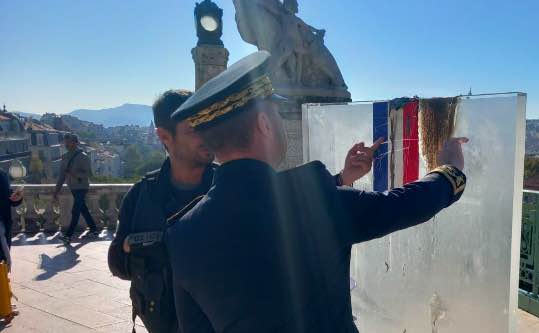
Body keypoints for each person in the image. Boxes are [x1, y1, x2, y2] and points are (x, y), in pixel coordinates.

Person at [166, 51, 468, 333]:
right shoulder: (322, 206)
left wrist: (342, 179)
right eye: (277, 114)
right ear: (264, 124)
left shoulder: (183, 232)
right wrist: (450, 171)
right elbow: (403, 205)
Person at [108, 89, 377, 333]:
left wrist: (342, 178)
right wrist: (153, 245)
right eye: (194, 129)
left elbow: (282, 202)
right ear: (164, 136)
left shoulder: (230, 181)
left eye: (208, 126)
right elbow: (117, 263)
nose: (206, 137)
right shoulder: (142, 196)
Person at [54, 133, 98, 244]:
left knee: (75, 210)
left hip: (82, 187)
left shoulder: (83, 156)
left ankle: (68, 236)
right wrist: (56, 191)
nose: (67, 144)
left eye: (69, 142)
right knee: (83, 209)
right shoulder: (64, 157)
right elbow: (61, 176)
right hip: (73, 188)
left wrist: (74, 174)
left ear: (75, 142)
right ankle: (94, 230)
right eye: (66, 142)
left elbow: (88, 174)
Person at [0, 168, 23, 268]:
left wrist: (16, 198)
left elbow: (7, 196)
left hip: (3, 222)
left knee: (3, 259)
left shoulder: (2, 174)